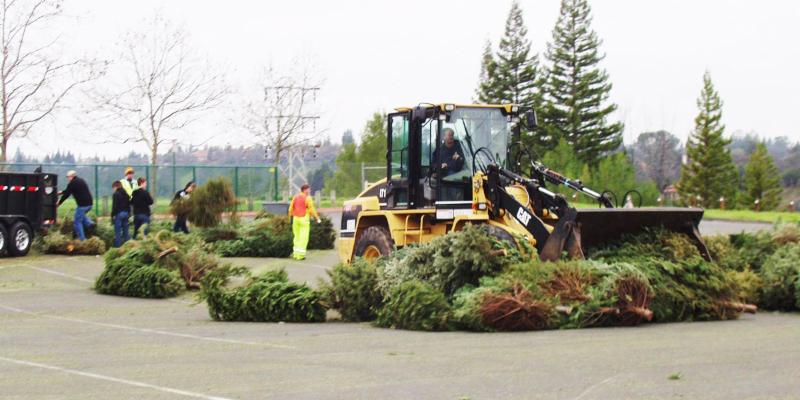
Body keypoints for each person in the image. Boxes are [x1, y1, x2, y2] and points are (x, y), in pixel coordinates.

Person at [57, 170, 94, 241]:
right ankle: (90, 223)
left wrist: (59, 203)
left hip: (82, 205)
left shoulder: (72, 183)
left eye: (68, 177)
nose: (67, 178)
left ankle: (82, 239)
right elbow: (69, 190)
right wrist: (61, 192)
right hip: (89, 204)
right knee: (81, 215)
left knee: (77, 222)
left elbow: (67, 194)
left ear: (72, 176)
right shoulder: (81, 180)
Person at [288, 184, 321, 260]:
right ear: (305, 190)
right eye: (308, 189)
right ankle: (301, 255)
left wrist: (290, 218)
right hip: (304, 219)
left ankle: (295, 254)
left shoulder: (295, 197)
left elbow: (290, 208)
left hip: (295, 219)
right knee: (304, 237)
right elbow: (312, 209)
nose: (309, 191)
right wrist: (317, 218)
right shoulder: (307, 198)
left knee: (296, 237)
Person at [111, 180, 131, 247]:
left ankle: (118, 247)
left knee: (118, 232)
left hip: (119, 214)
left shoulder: (116, 194)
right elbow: (129, 205)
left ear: (115, 187)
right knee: (126, 232)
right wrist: (129, 213)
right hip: (126, 213)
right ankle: (128, 246)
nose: (113, 190)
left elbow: (115, 206)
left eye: (113, 188)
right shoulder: (126, 194)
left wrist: (112, 215)